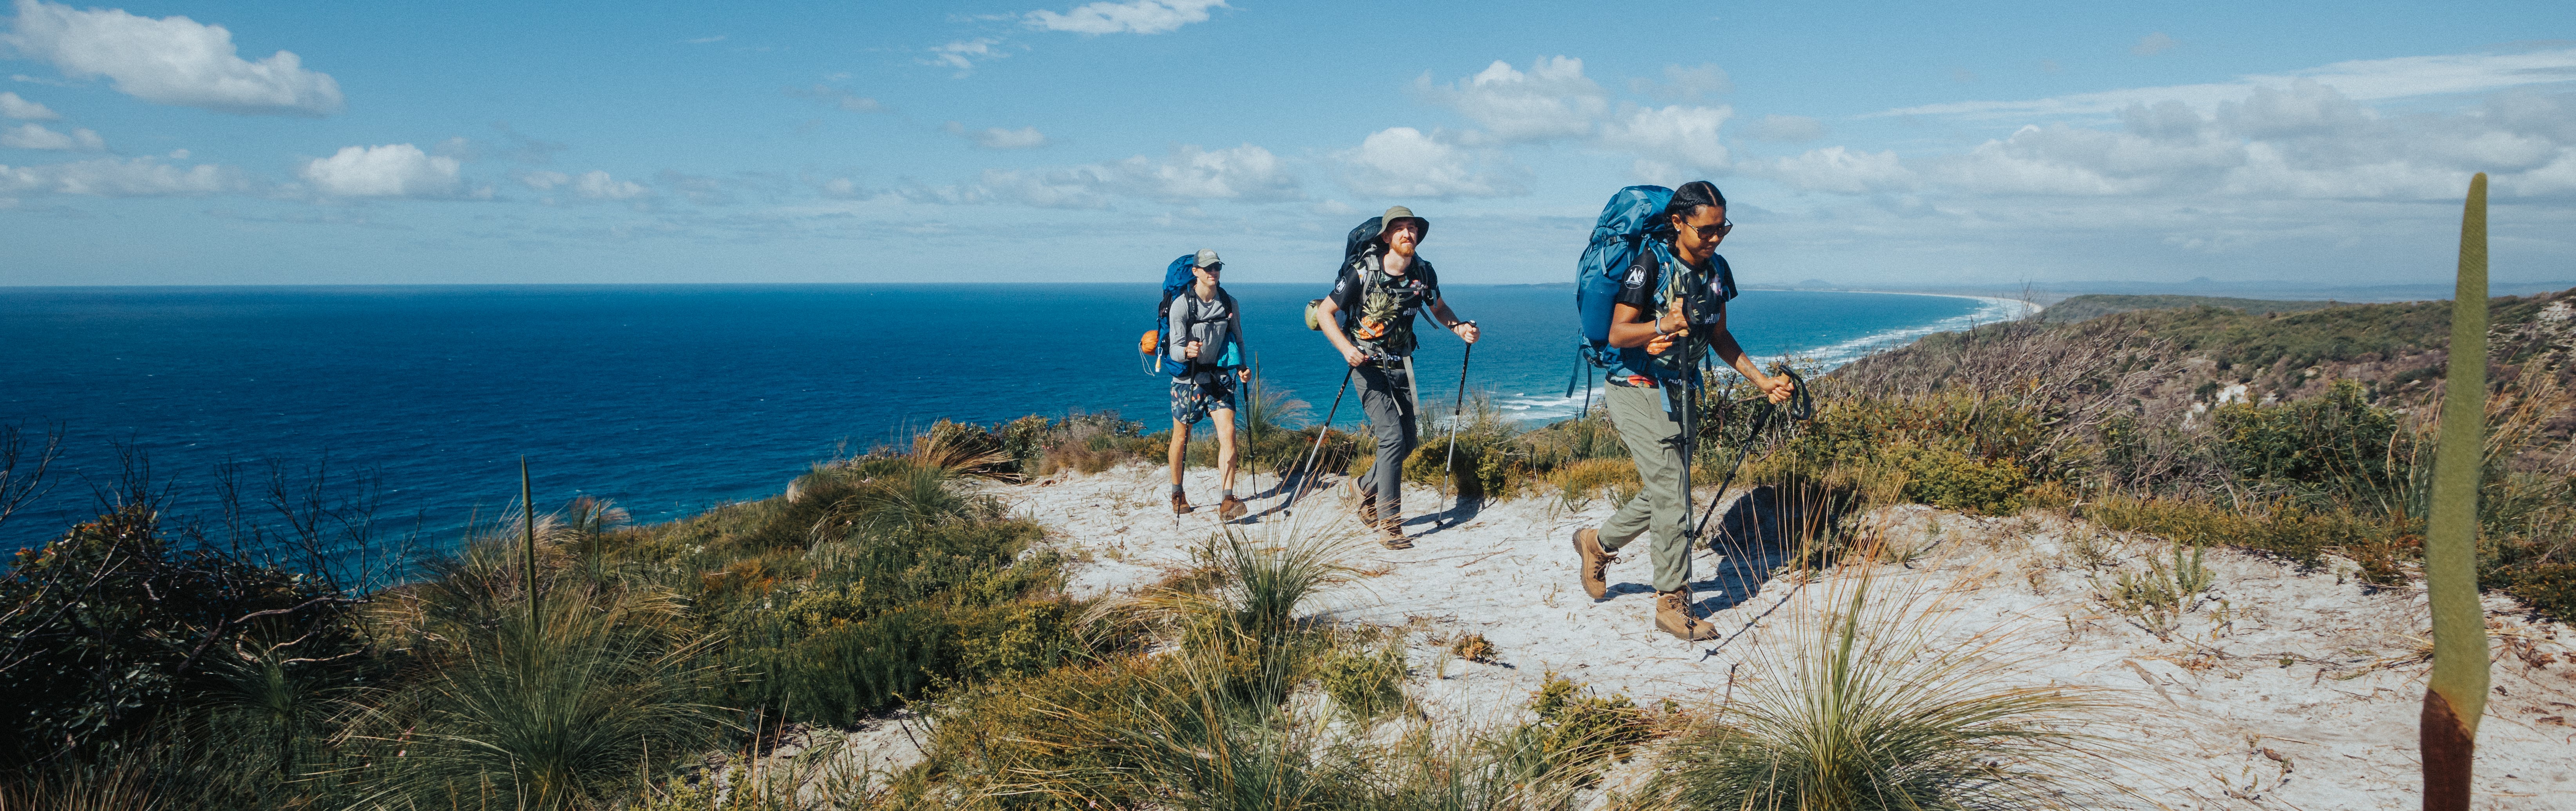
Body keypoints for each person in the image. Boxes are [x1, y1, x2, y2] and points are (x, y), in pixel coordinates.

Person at [1570, 182, 1794, 640]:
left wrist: (1761, 381)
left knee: (1666, 489)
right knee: (1673, 494)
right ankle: (1671, 601)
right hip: (1635, 388)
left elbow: (1719, 335)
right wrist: (1662, 324)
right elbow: (1617, 333)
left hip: (1681, 390)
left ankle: (1597, 542)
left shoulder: (1716, 270)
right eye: (1706, 230)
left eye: (1722, 229)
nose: (1715, 238)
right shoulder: (1648, 265)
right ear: (1678, 222)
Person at [1313, 206, 1479, 549]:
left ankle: (1362, 488)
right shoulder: (1363, 272)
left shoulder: (1422, 272)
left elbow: (1438, 308)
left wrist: (1459, 328)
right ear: (1387, 237)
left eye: (1413, 228)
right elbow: (1325, 312)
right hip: (1367, 365)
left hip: (1402, 363)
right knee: (1391, 438)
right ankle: (1390, 523)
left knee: (1409, 442)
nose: (1408, 234)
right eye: (1400, 229)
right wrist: (1347, 349)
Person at [1167, 249, 1248, 521]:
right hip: (1188, 380)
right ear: (1196, 272)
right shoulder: (1181, 305)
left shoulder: (1229, 302)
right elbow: (1174, 350)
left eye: (1217, 268)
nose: (1214, 272)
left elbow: (1238, 338)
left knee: (1229, 435)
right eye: (1209, 268)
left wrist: (1243, 368)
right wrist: (1186, 351)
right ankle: (1178, 493)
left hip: (1220, 377)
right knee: (1182, 437)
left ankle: (1227, 500)